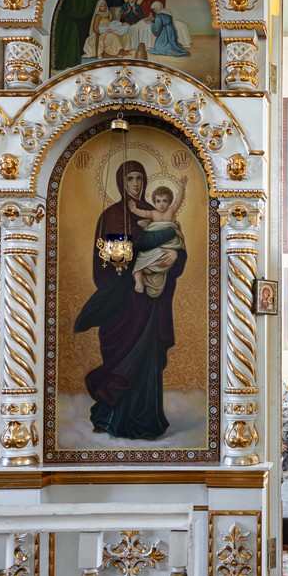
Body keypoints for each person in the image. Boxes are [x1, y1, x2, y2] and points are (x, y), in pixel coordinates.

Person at [74, 160, 186, 439]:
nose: (135, 184)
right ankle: (108, 416)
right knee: (118, 354)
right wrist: (166, 234)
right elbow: (118, 257)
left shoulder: (154, 209)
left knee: (145, 358)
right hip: (122, 298)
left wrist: (176, 254)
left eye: (139, 178)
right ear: (120, 183)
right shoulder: (112, 215)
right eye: (130, 179)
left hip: (150, 301)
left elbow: (173, 249)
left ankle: (146, 422)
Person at [128, 177, 188, 297]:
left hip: (168, 243)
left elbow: (178, 201)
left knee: (165, 257)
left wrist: (182, 187)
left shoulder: (171, 211)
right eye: (158, 201)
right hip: (155, 242)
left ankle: (151, 269)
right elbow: (143, 213)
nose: (161, 204)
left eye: (164, 201)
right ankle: (139, 281)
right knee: (141, 258)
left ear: (169, 202)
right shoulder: (153, 213)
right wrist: (134, 209)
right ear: (154, 202)